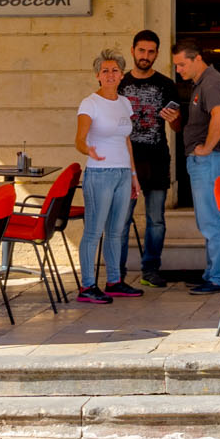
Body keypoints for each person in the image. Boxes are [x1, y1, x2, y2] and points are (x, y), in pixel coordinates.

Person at [74, 48, 141, 304]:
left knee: (116, 231)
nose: (110, 74)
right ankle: (87, 286)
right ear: (98, 76)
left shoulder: (124, 103)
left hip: (123, 172)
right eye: (105, 71)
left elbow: (127, 140)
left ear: (122, 74)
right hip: (99, 173)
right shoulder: (90, 103)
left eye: (115, 70)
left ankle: (114, 281)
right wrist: (87, 150)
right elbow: (79, 139)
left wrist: (133, 174)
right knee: (94, 231)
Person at [172, 37, 220, 295]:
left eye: (181, 64)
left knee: (212, 220)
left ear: (197, 58)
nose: (178, 70)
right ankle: (212, 273)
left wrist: (207, 148)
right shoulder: (204, 83)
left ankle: (219, 276)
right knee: (209, 218)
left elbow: (219, 118)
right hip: (209, 160)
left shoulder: (210, 83)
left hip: (210, 160)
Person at [118, 28, 179, 288]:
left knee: (156, 220)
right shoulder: (118, 83)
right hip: (125, 161)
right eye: (141, 50)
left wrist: (175, 120)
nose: (145, 56)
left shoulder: (167, 85)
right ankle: (117, 274)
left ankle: (150, 270)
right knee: (121, 220)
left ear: (157, 54)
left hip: (157, 158)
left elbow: (177, 127)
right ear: (132, 51)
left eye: (151, 52)